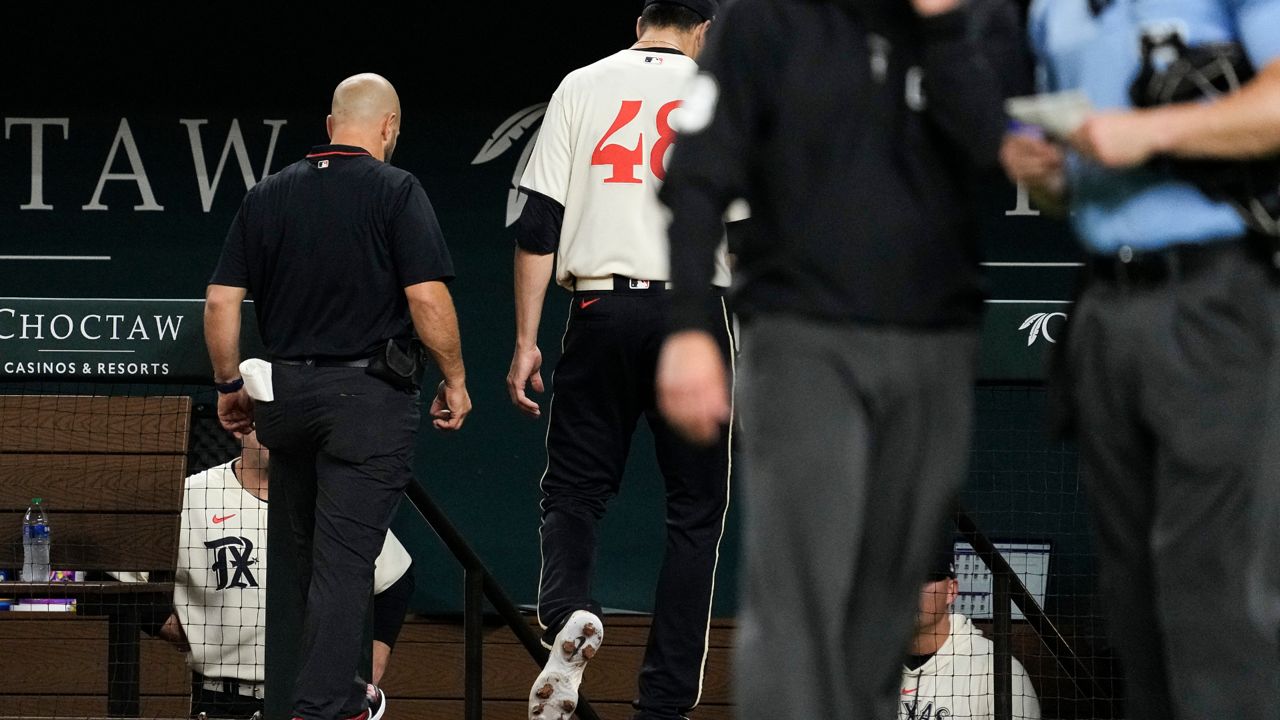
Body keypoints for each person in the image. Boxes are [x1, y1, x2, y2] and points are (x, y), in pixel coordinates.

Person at [653, 0, 1022, 717]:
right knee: (799, 603)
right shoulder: (768, 19)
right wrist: (692, 323)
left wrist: (944, 26)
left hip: (934, 342)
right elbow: (698, 173)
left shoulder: (977, 18)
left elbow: (996, 144)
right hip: (803, 337)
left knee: (889, 608)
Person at [999, 2, 1280, 718]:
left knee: (1216, 595)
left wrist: (1152, 129)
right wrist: (1042, 172)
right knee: (1132, 607)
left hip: (1217, 293)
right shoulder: (1052, 11)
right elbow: (1067, 176)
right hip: (1105, 304)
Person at [204, 72, 470, 720]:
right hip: (366, 402)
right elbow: (427, 298)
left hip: (286, 398)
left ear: (330, 125)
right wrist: (456, 379)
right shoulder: (396, 189)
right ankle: (322, 707)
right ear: (388, 127)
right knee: (346, 562)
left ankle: (327, 696)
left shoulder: (267, 195)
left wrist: (229, 384)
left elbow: (220, 301)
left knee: (306, 560)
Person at [505, 2, 734, 719]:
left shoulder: (582, 83)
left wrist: (525, 339)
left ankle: (568, 611)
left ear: (642, 21)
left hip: (601, 309)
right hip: (694, 316)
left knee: (574, 491)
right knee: (696, 514)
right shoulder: (725, 92)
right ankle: (663, 704)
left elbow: (538, 224)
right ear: (704, 29)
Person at [118, 432, 415, 720]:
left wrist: (373, 660)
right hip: (222, 700)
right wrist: (179, 629)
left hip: (312, 700)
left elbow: (397, 578)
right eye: (264, 423)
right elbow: (119, 575)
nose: (276, 435)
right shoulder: (193, 496)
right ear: (240, 429)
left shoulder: (328, 499)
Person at [899, 549, 1041, 720]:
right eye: (900, 579)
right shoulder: (869, 664)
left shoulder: (996, 669)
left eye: (925, 579)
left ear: (951, 590)